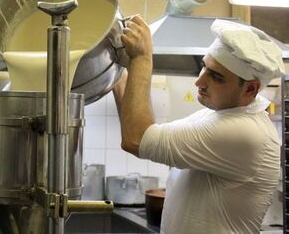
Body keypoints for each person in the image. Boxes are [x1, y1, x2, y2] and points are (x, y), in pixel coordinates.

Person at [113, 15, 285, 234]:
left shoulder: (245, 132)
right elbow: (144, 132)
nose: (199, 81)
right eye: (204, 68)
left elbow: (136, 139)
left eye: (216, 77)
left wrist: (143, 58)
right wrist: (115, 72)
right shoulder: (217, 115)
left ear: (250, 89)